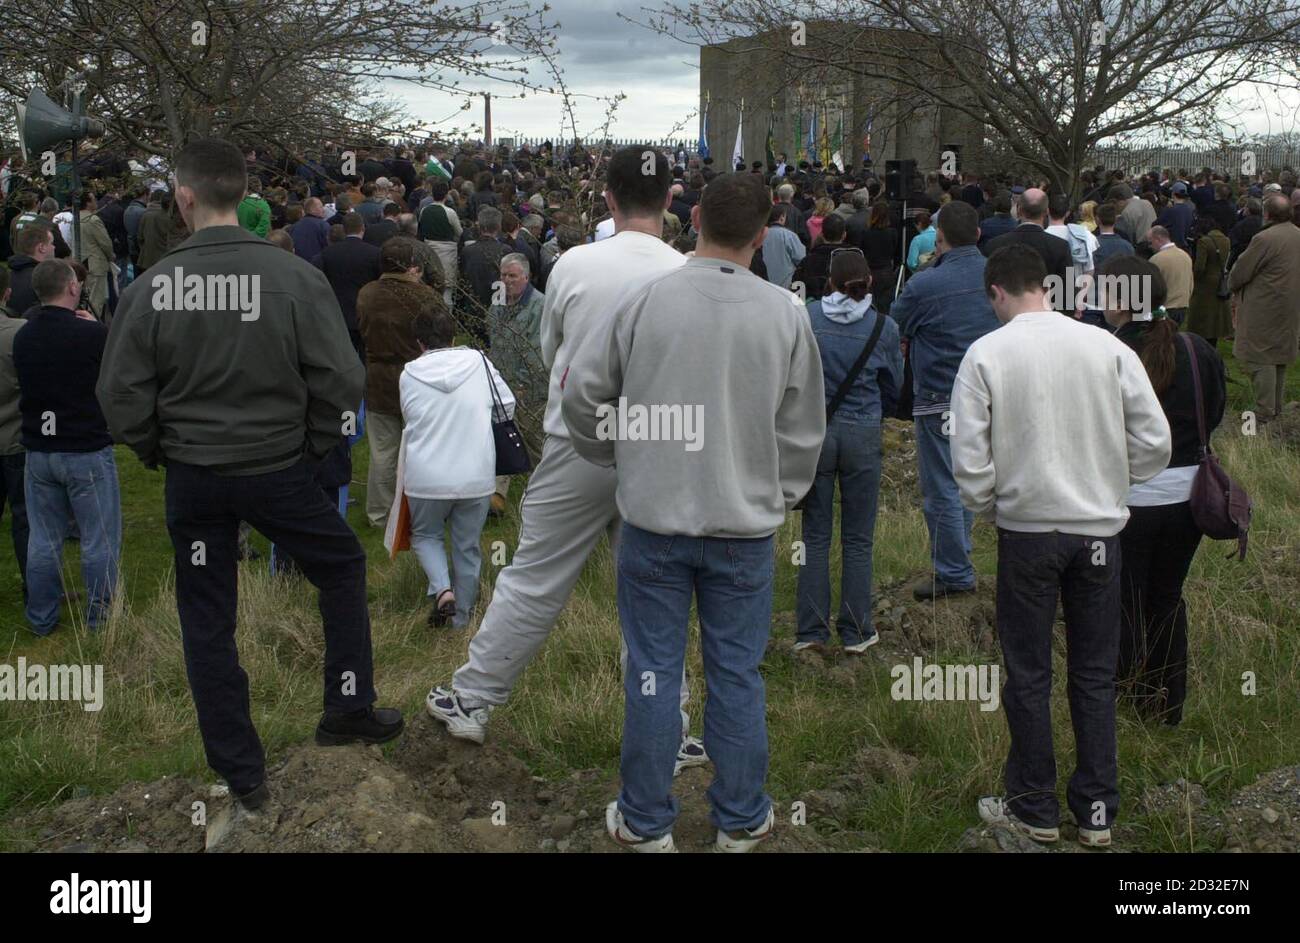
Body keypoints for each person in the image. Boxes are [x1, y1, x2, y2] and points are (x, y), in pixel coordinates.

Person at [98, 138, 404, 811]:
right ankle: (346, 704)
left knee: (208, 616)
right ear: (243, 195)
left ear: (183, 199)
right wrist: (316, 446)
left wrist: (161, 447)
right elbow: (340, 376)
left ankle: (243, 772)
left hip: (204, 474)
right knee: (341, 566)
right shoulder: (293, 278)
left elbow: (120, 396)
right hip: (271, 467)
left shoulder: (154, 288)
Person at [562, 171, 825, 853]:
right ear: (765, 234)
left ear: (696, 215)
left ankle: (647, 823)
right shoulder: (785, 313)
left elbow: (583, 394)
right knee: (736, 674)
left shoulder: (646, 300)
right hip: (742, 527)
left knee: (653, 671)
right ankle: (739, 819)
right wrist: (779, 493)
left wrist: (614, 454)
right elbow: (803, 431)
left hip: (654, 522)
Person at [426, 147, 710, 778]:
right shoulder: (688, 270)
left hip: (579, 443)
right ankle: (678, 729)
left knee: (535, 577)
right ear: (670, 200)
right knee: (655, 598)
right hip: (659, 447)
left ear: (607, 199)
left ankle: (472, 699)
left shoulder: (577, 265)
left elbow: (554, 351)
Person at [951, 244, 1171, 849]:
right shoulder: (1107, 347)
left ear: (996, 292)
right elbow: (1155, 441)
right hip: (1098, 533)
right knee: (1094, 674)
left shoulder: (987, 352)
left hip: (1027, 533)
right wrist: (1107, 485)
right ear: (1045, 287)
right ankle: (1096, 811)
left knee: (1027, 672)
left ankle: (1035, 808)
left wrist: (996, 505)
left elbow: (969, 461)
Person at [1100, 255, 1225, 727]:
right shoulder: (1197, 349)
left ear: (1119, 300)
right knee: (1167, 597)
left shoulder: (1109, 352)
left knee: (1126, 600)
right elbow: (1213, 414)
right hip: (1189, 497)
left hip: (1132, 499)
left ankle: (1127, 695)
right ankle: (1166, 704)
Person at [893, 200, 1001, 599]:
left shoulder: (925, 284)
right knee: (970, 478)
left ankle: (954, 570)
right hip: (989, 395)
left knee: (940, 486)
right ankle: (960, 555)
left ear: (938, 240)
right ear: (977, 234)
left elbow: (896, 321)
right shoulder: (997, 275)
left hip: (941, 396)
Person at [796, 249, 900, 652]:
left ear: (828, 281)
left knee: (814, 536)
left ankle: (810, 632)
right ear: (869, 282)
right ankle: (857, 630)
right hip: (862, 431)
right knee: (858, 538)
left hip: (817, 432)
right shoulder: (884, 327)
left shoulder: (809, 319)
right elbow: (894, 385)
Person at [13, 258, 120, 636]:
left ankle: (41, 617)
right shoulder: (90, 336)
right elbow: (117, 373)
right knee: (99, 537)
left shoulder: (23, 336)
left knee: (43, 538)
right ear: (72, 287)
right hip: (84, 447)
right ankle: (100, 619)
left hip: (40, 449)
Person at [390, 307, 515, 629]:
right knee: (467, 546)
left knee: (427, 536)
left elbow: (409, 416)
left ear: (419, 342)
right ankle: (462, 621)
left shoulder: (409, 373)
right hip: (476, 473)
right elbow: (507, 405)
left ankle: (443, 589)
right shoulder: (479, 363)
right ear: (452, 336)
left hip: (426, 476)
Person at [357, 236, 439, 529]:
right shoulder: (425, 296)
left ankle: (379, 515)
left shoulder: (367, 293)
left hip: (378, 377)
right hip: (417, 378)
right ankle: (422, 509)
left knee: (383, 451)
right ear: (411, 265)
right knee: (422, 447)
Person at [1228, 193, 1300, 421]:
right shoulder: (1297, 235)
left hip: (1264, 307)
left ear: (1267, 214)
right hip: (1289, 306)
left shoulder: (1265, 239)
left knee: (1261, 358)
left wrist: (1231, 285)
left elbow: (1240, 273)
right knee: (1278, 357)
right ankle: (1275, 409)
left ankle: (1264, 412)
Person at [486, 253, 546, 510]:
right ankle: (496, 497)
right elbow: (491, 336)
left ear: (526, 276)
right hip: (500, 384)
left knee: (534, 442)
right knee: (501, 437)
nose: (507, 280)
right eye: (503, 275)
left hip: (530, 388)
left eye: (512, 276)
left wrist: (521, 384)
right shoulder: (498, 302)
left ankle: (542, 497)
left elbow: (538, 350)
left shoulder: (540, 306)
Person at [984, 188, 1072, 310]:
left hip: (1006, 318)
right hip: (1047, 316)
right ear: (1046, 212)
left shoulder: (994, 245)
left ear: (1019, 210)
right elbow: (1067, 296)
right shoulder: (1060, 247)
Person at [0, 266, 28, 600]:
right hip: (16, 439)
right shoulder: (19, 332)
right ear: (7, 293)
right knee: (25, 519)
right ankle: (33, 585)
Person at [1186, 215, 1232, 348]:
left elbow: (1200, 266)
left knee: (1201, 318)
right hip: (1220, 281)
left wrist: (1193, 277)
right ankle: (1213, 344)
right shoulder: (1226, 240)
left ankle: (1200, 345)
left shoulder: (1204, 241)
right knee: (1216, 317)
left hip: (1204, 285)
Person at [418, 179, 462, 309]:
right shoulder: (450, 212)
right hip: (447, 254)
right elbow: (459, 232)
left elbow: (421, 230)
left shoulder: (424, 210)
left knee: (430, 286)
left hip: (429, 252)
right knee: (446, 290)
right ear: (446, 195)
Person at [792, 212, 846, 299]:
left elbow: (797, 287)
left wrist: (800, 308)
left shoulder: (808, 261)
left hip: (812, 308)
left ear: (822, 234)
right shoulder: (853, 259)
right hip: (846, 309)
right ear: (844, 235)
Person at [1145, 226, 1192, 325]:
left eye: (1150, 242)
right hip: (1183, 306)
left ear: (1158, 239)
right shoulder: (1185, 256)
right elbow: (1191, 284)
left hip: (1164, 309)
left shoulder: (1156, 259)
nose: (1150, 246)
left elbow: (1150, 288)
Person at [7, 224, 56, 317]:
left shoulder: (7, 276)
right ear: (42, 247)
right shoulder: (46, 279)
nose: (54, 247)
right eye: (52, 243)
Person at [761, 204, 806, 289]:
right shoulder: (789, 235)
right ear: (782, 218)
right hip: (786, 284)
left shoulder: (760, 235)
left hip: (763, 283)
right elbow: (801, 259)